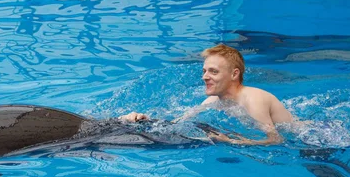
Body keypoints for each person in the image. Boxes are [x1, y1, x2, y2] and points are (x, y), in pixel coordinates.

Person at [119, 44, 294, 145]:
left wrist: (232, 142)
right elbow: (174, 125)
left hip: (312, 136)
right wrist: (142, 119)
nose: (204, 77)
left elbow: (276, 139)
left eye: (213, 72)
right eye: (204, 71)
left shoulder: (253, 99)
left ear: (234, 74)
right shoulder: (213, 100)